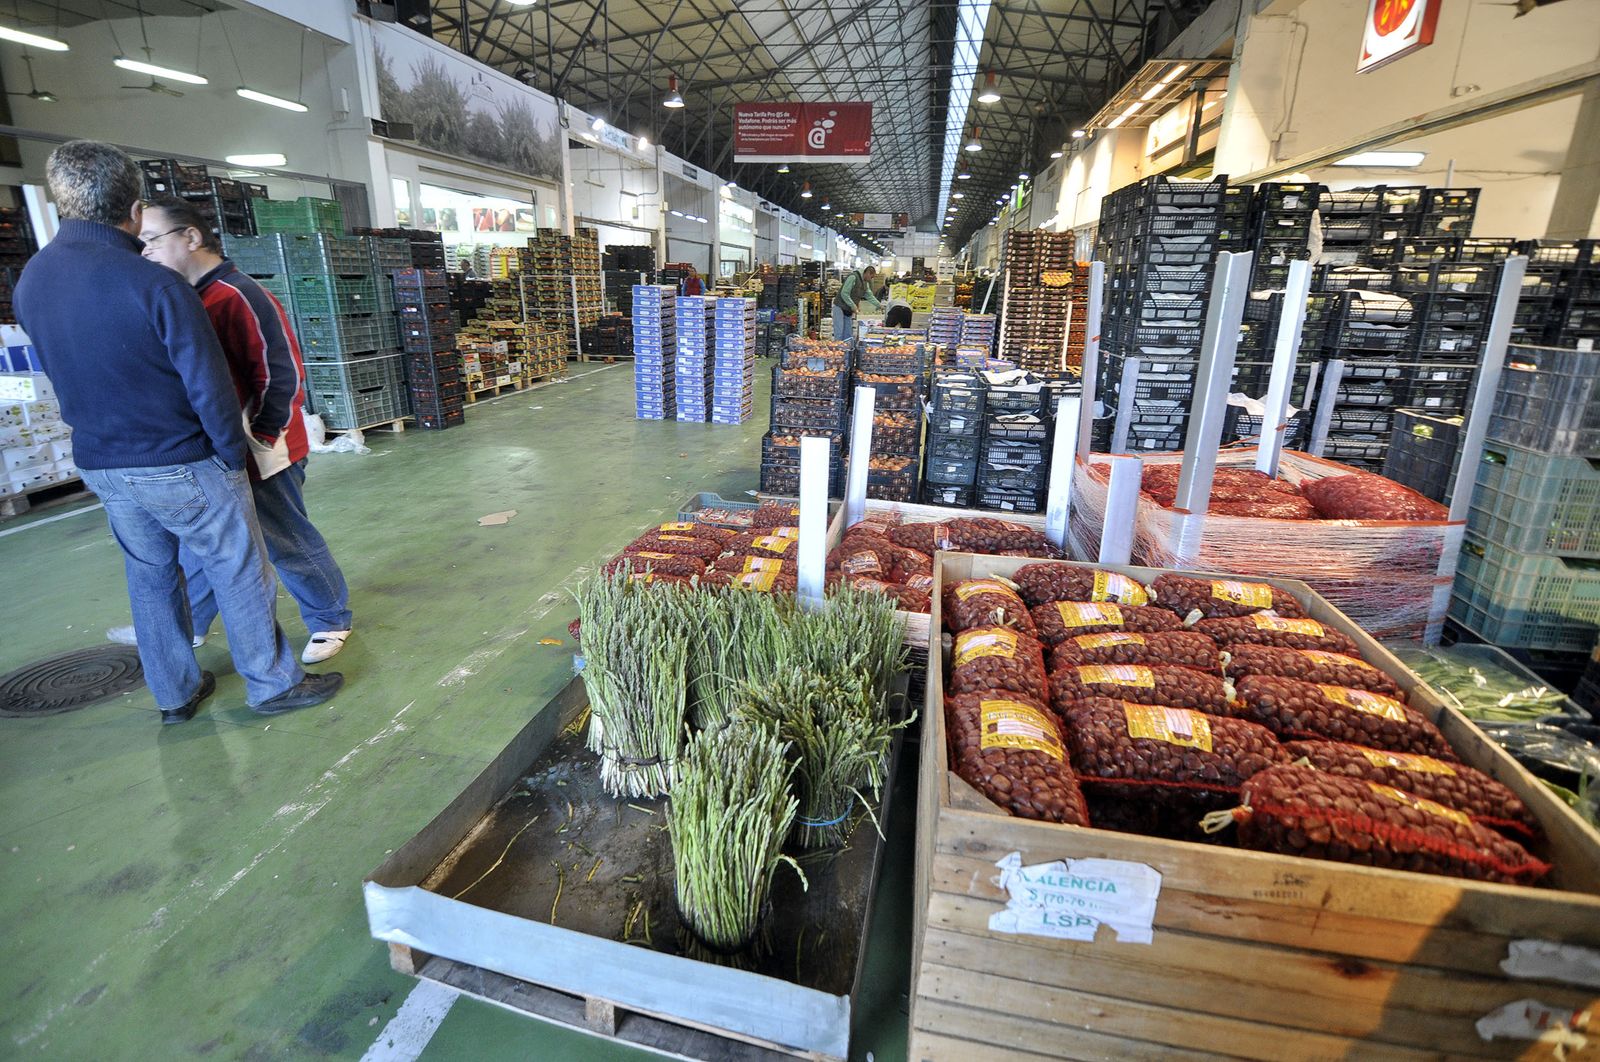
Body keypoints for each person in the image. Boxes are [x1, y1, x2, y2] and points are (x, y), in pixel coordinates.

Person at [13, 140, 342, 723]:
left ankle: (175, 694)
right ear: (134, 211)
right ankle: (272, 685)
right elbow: (208, 386)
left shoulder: (33, 280)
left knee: (149, 576)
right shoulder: (154, 284)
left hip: (100, 462)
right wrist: (226, 454)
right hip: (177, 457)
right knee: (238, 568)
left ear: (60, 199)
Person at [108, 196, 353, 664]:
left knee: (285, 537)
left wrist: (263, 435)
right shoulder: (190, 299)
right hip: (220, 449)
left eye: (152, 240)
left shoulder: (238, 294)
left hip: (263, 448)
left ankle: (330, 617)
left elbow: (281, 372)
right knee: (203, 546)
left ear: (192, 237)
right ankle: (189, 624)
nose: (146, 252)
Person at [832, 265, 878, 342]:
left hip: (848, 309)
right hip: (839, 306)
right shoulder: (853, 277)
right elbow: (844, 293)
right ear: (867, 273)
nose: (871, 279)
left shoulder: (865, 283)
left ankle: (847, 353)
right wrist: (853, 305)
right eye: (871, 277)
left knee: (848, 334)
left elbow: (869, 295)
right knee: (839, 332)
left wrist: (879, 305)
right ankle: (838, 351)